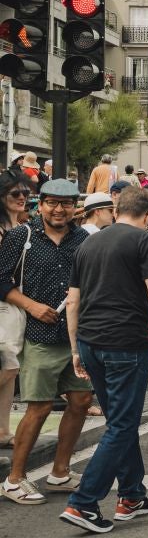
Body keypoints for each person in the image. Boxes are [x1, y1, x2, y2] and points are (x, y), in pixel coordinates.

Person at [59, 185, 148, 532]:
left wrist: (75, 349)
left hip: (89, 339)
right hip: (125, 342)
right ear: (147, 216)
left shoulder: (88, 243)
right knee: (122, 424)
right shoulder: (144, 241)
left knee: (120, 419)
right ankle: (84, 503)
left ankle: (131, 494)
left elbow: (73, 301)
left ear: (116, 210)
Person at [0, 180, 91, 506]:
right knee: (38, 407)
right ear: (41, 205)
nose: (58, 210)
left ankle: (60, 471)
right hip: (39, 338)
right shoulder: (20, 237)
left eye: (66, 204)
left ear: (74, 207)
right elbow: (1, 280)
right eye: (52, 203)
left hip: (77, 338)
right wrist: (31, 305)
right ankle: (13, 480)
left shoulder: (83, 239)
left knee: (80, 401)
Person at [0, 169, 33, 449]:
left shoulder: (22, 226)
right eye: (15, 194)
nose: (22, 198)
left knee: (11, 368)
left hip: (15, 302)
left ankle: (2, 430)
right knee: (8, 365)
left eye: (25, 193)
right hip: (3, 303)